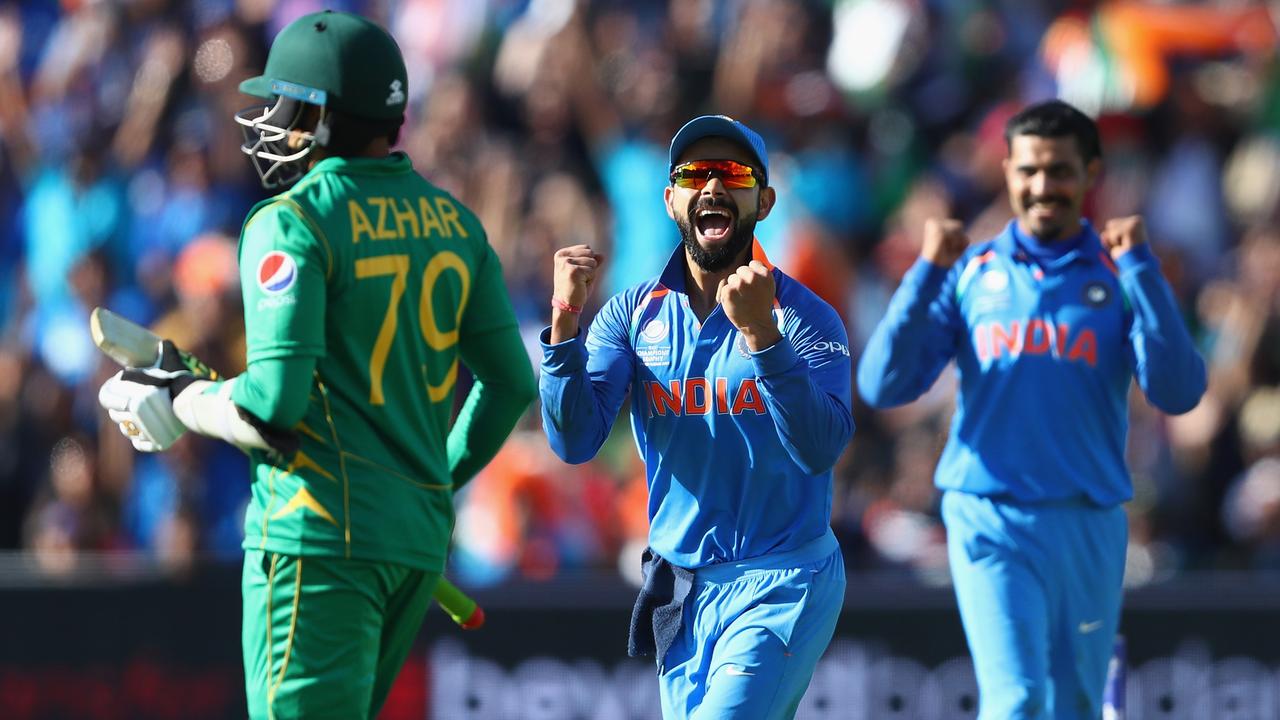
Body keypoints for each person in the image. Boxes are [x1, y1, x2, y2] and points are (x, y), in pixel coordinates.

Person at [97, 11, 536, 719]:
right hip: (412, 546)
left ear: (321, 115)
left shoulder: (291, 221)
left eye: (283, 104)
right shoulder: (456, 223)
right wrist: (426, 482)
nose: (270, 121)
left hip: (318, 539)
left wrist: (182, 401)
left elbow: (275, 405)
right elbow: (511, 384)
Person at [857, 99, 1207, 719]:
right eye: (1028, 171)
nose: (1043, 187)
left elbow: (1178, 391)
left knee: (1073, 705)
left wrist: (1145, 272)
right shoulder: (971, 272)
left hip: (1087, 517)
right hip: (988, 514)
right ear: (1008, 172)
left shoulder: (1120, 274)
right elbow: (884, 384)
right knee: (1017, 699)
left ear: (1090, 173)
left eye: (1060, 171)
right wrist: (926, 272)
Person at [540, 114, 853, 719]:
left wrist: (763, 336)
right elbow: (575, 441)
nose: (712, 186)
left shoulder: (808, 318)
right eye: (694, 173)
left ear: (763, 200)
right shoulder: (631, 315)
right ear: (670, 200)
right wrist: (563, 325)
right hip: (682, 588)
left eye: (732, 173)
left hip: (784, 577)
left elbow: (820, 447)